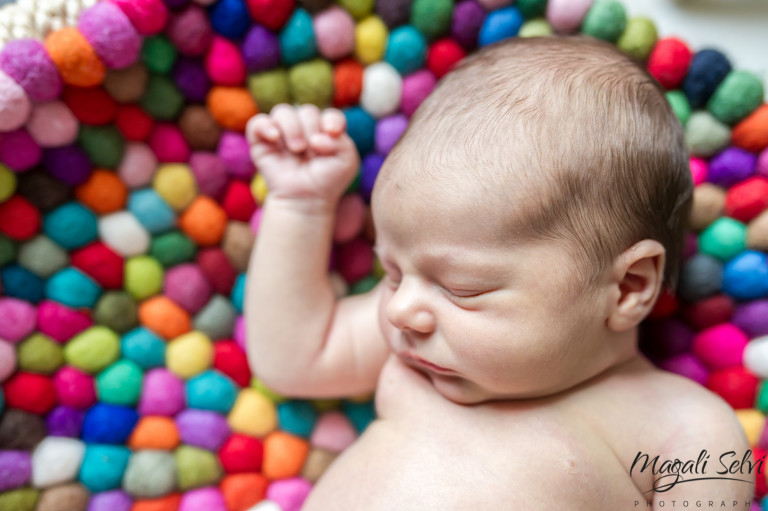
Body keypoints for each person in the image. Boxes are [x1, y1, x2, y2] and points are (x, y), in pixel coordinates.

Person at [245, 35, 754, 508]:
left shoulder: (684, 430)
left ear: (627, 287)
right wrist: (300, 205)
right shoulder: (417, 354)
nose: (400, 308)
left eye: (463, 288)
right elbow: (293, 355)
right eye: (392, 273)